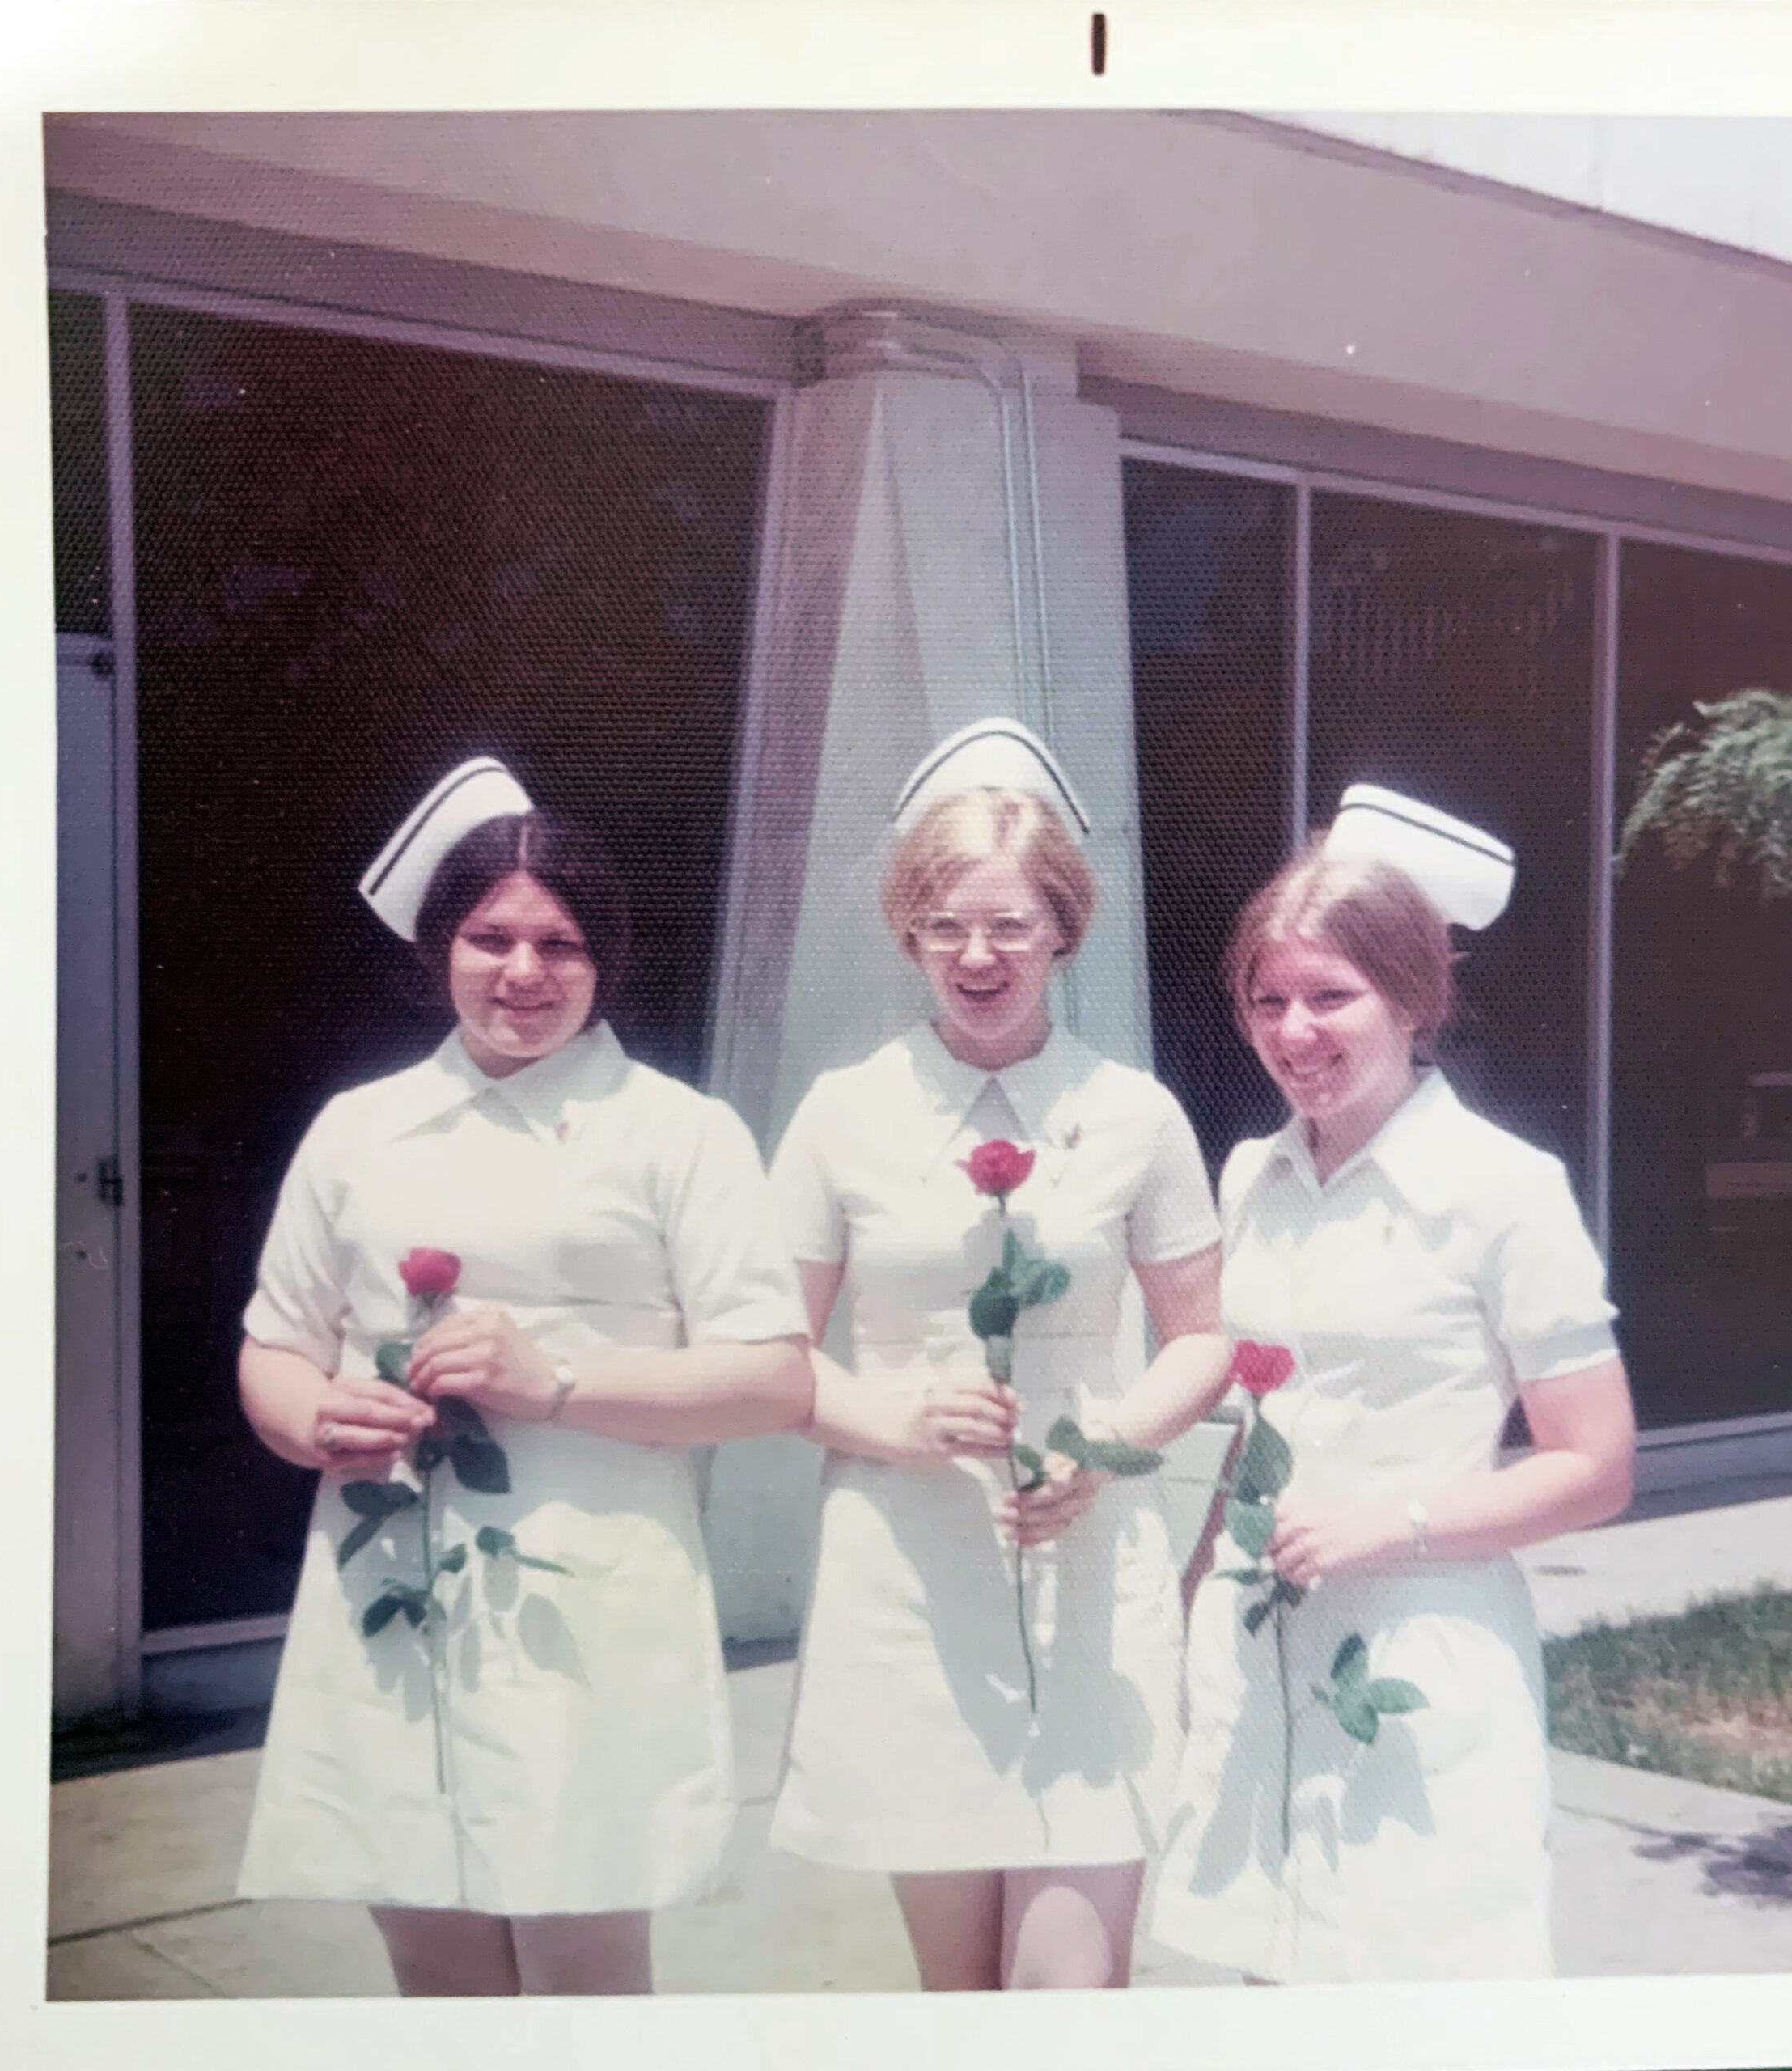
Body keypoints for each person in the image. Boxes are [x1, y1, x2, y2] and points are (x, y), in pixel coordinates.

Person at [235, 756, 812, 1996]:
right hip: (392, 1589)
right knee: (431, 1960)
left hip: (589, 1604)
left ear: (605, 961)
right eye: (490, 938)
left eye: (561, 944)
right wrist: (313, 1418)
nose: (524, 972)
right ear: (438, 948)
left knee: (584, 1972)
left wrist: (554, 1380)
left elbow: (773, 1379)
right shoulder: (358, 1130)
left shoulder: (677, 1133)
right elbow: (275, 1344)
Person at [767, 719, 1231, 1990]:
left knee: (1067, 1991)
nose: (979, 956)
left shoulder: (1135, 1114)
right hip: (910, 1574)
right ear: (909, 933)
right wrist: (896, 1420)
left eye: (1012, 926)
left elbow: (1204, 1339)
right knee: (960, 1999)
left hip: (1089, 1570)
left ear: (1063, 931)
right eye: (947, 926)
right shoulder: (843, 1113)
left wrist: (1111, 1443)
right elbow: (771, 1353)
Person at [1152, 791, 1636, 1984]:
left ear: (1414, 1000)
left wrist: (1392, 1523)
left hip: (1422, 1653)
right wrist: (1193, 1593)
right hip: (1259, 1646)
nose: (1294, 1031)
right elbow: (1263, 1421)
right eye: (1266, 1000)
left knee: (1414, 1995)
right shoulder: (1252, 1177)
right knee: (1270, 1982)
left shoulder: (1504, 1190)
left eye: (1331, 997)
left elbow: (1598, 1466)